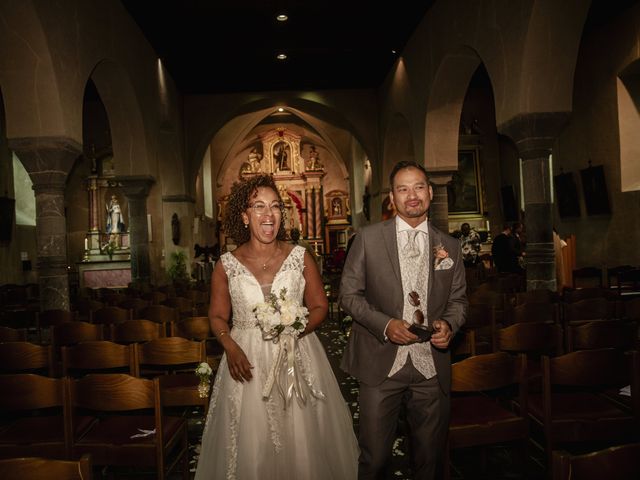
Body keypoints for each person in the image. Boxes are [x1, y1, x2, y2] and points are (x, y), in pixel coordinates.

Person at [195, 174, 358, 480]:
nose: (268, 214)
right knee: (251, 440)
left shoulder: (300, 257)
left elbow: (320, 306)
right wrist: (229, 346)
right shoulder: (226, 265)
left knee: (302, 437)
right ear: (245, 216)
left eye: (274, 206)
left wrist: (296, 328)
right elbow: (217, 316)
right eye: (258, 206)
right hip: (247, 362)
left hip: (298, 354)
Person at [339, 160, 467, 479]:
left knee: (429, 460)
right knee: (376, 458)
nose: (412, 195)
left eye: (419, 187)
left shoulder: (449, 246)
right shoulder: (367, 239)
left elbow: (459, 300)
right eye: (403, 188)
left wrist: (449, 325)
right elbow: (349, 295)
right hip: (380, 365)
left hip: (430, 369)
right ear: (392, 198)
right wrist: (385, 324)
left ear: (430, 192)